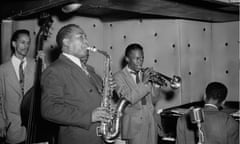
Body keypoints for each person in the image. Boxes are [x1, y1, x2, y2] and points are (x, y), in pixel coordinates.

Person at [40, 24, 114, 144]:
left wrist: (107, 88)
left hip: (99, 137)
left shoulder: (89, 69)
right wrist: (89, 116)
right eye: (81, 37)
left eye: (86, 38)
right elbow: (49, 109)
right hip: (78, 138)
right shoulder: (55, 71)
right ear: (66, 42)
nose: (87, 42)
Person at [113, 43, 163, 144]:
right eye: (137, 58)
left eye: (142, 58)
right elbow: (128, 99)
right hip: (134, 125)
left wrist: (157, 86)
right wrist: (143, 83)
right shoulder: (118, 77)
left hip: (151, 121)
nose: (140, 62)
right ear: (127, 59)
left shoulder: (144, 74)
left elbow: (152, 101)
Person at [0, 29, 43, 144]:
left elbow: (46, 84)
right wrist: (1, 122)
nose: (26, 46)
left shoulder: (35, 64)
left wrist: (43, 64)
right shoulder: (2, 70)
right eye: (22, 42)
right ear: (14, 44)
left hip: (33, 127)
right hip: (13, 127)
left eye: (28, 42)